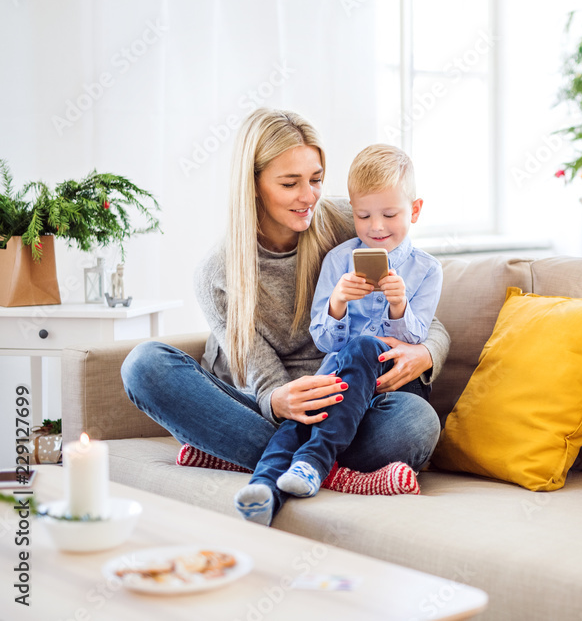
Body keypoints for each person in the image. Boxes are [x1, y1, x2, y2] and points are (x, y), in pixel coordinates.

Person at [121, 109, 448, 521]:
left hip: (342, 400)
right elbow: (259, 373)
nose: (308, 196)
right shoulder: (218, 272)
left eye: (315, 179)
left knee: (415, 422)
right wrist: (278, 400)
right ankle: (326, 467)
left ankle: (259, 460)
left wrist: (427, 354)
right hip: (264, 404)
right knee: (144, 365)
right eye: (290, 183)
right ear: (254, 186)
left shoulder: (351, 222)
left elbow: (418, 307)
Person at [235, 144, 442, 523]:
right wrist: (338, 303)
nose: (376, 227)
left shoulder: (427, 270)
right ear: (352, 210)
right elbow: (325, 341)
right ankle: (265, 489)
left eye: (390, 214)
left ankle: (313, 461)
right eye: (363, 215)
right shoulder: (338, 260)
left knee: (380, 373)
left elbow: (418, 337)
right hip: (340, 382)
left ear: (414, 210)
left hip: (393, 389)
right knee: (306, 411)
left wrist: (399, 307)